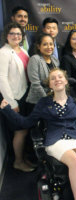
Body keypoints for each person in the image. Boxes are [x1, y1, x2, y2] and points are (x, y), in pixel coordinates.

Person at [0, 68, 76, 200]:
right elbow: (25, 123)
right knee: (75, 161)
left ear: (66, 81)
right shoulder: (43, 103)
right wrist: (7, 110)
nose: (57, 80)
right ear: (49, 85)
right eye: (53, 78)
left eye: (60, 77)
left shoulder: (75, 102)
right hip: (55, 140)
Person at [0, 22, 31, 172]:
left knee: (25, 130)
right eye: (12, 33)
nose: (16, 36)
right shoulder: (3, 53)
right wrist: (12, 103)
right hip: (14, 98)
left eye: (19, 34)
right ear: (6, 35)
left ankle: (23, 158)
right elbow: (2, 78)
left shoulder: (22, 50)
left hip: (24, 95)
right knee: (20, 131)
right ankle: (18, 162)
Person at [26, 33, 60, 112]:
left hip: (53, 100)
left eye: (51, 44)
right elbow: (35, 84)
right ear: (38, 46)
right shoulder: (34, 59)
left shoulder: (55, 60)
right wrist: (47, 100)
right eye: (45, 44)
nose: (49, 47)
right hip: (37, 102)